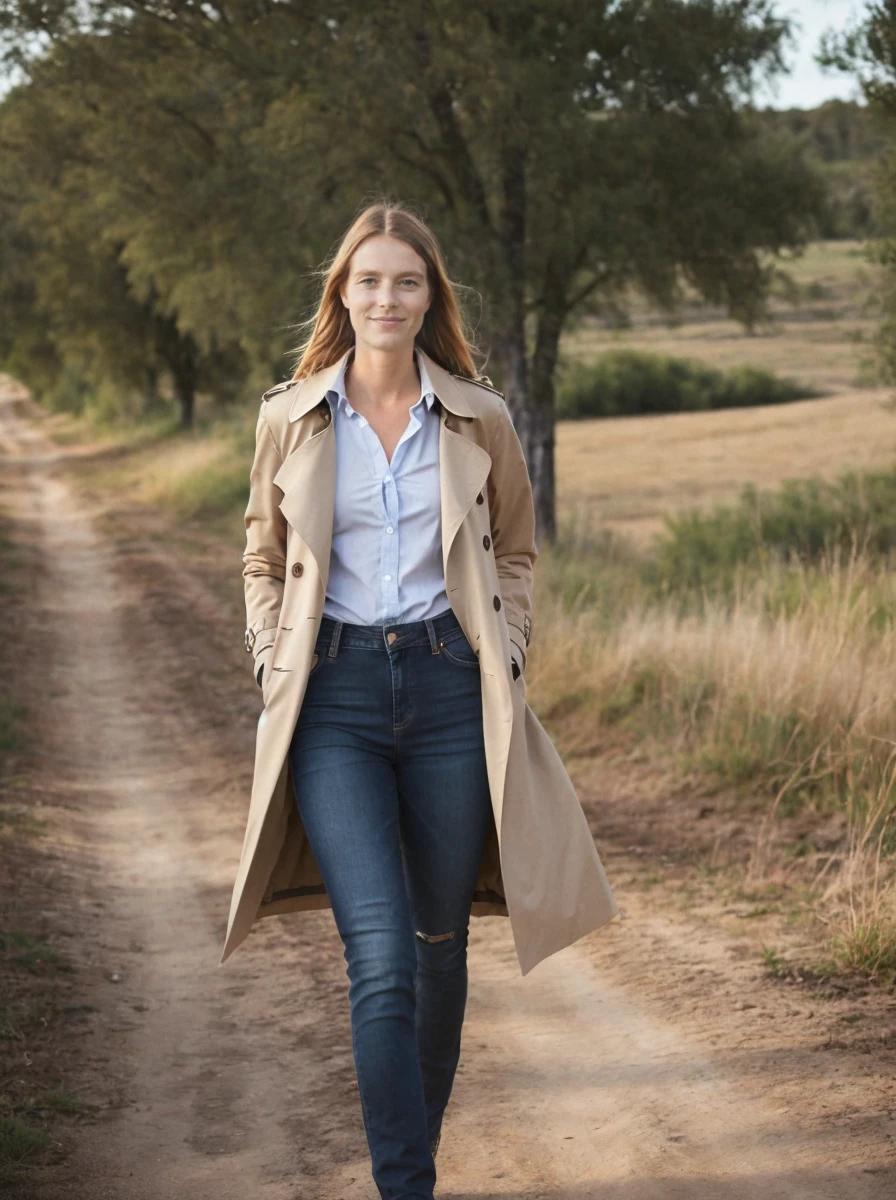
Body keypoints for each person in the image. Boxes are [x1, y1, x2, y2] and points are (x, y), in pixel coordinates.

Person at [232, 199, 618, 1200]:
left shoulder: (478, 416)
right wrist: (274, 655)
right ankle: (406, 1186)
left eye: (405, 281)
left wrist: (510, 648)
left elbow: (519, 549)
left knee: (439, 945)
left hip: (452, 691)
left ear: (428, 295)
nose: (385, 297)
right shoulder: (289, 414)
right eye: (367, 280)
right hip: (334, 702)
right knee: (382, 960)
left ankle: (414, 1162)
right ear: (342, 293)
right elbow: (261, 558)